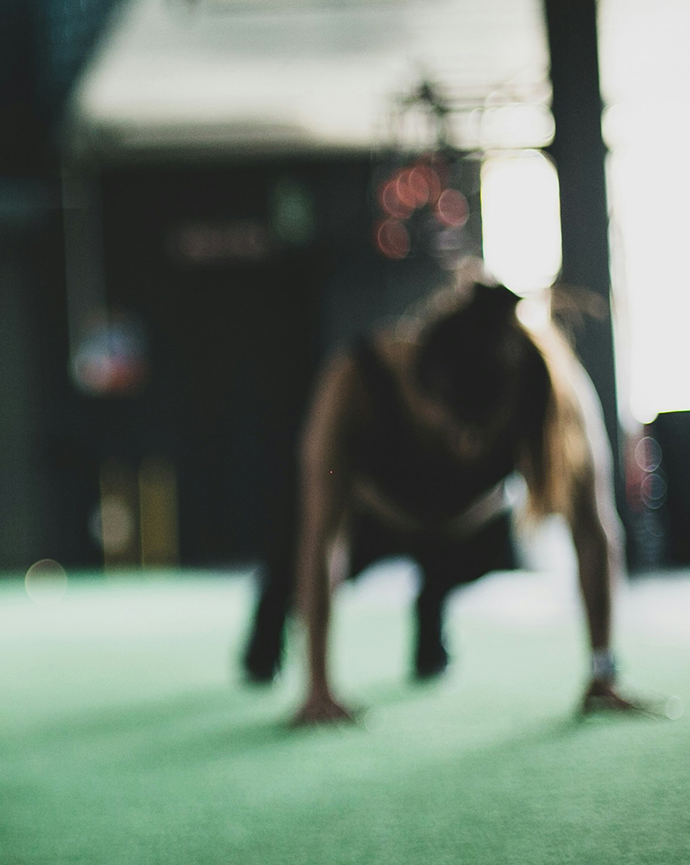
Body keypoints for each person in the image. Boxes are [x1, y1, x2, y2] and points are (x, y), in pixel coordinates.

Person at [241, 279, 645, 725]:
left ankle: (431, 602)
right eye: (452, 428)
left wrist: (603, 671)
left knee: (475, 560)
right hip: (371, 522)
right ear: (420, 386)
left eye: (479, 433)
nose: (466, 447)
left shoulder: (547, 386)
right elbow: (323, 536)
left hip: (469, 528)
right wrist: (318, 687)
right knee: (286, 576)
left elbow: (592, 531)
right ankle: (271, 615)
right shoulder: (355, 378)